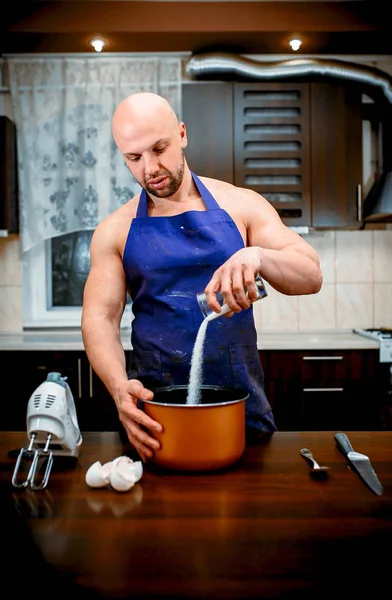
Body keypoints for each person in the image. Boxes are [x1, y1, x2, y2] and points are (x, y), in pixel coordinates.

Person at [81, 92, 323, 462]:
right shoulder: (115, 230)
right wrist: (117, 387)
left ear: (182, 134)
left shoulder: (241, 205)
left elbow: (310, 275)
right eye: (134, 157)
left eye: (159, 148)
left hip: (242, 408)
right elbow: (100, 317)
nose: (150, 168)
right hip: (155, 415)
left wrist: (256, 255)